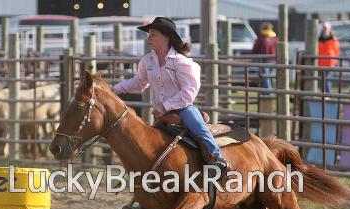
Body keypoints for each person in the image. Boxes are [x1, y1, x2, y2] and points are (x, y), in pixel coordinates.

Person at [112, 16, 229, 173]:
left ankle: (218, 159)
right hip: (161, 113)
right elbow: (139, 82)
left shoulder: (182, 62)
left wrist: (164, 107)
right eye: (149, 34)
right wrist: (114, 90)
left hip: (182, 109)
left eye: (153, 34)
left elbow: (189, 93)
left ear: (166, 37)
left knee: (199, 128)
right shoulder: (147, 61)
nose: (149, 38)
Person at [252, 22, 279, 90]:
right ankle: (266, 93)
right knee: (268, 77)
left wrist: (254, 56)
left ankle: (268, 92)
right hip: (274, 60)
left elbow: (255, 49)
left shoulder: (261, 38)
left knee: (266, 77)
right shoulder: (275, 38)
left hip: (264, 60)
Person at [318, 22, 340, 93]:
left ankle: (327, 95)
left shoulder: (334, 40)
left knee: (327, 80)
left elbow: (336, 51)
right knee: (320, 81)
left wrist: (334, 62)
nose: (325, 29)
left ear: (329, 29)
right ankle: (323, 95)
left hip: (329, 63)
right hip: (320, 63)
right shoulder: (319, 39)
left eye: (326, 28)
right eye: (324, 28)